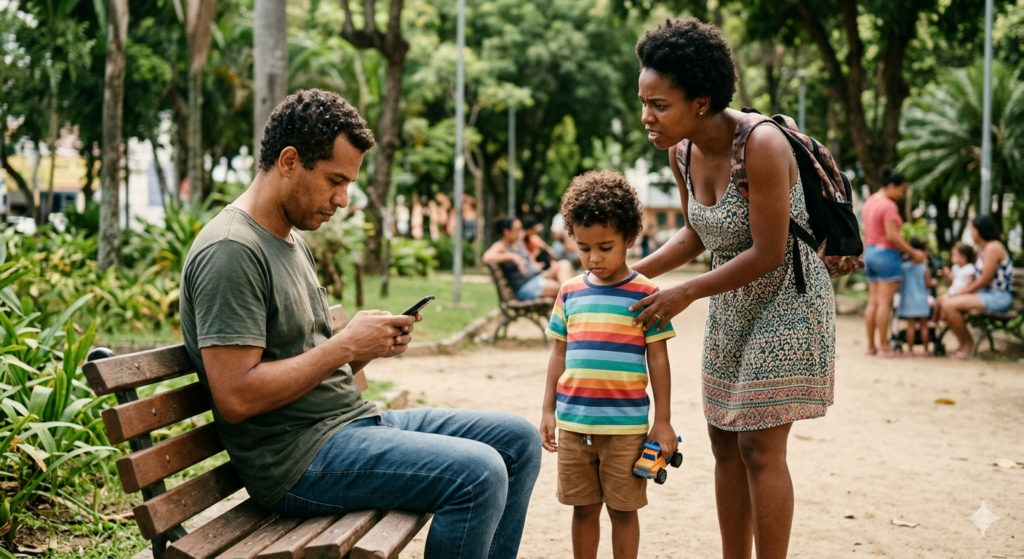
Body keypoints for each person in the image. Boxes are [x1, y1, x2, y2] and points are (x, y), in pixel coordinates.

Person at [178, 90, 540, 559]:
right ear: (289, 161)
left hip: (349, 426)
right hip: (298, 461)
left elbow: (306, 360)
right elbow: (236, 396)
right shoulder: (232, 250)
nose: (343, 200)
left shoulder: (288, 239)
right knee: (479, 472)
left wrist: (364, 348)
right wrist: (344, 346)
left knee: (519, 441)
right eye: (335, 180)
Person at [626, 18, 835, 558]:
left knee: (759, 447)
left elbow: (767, 250)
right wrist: (630, 273)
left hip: (787, 297)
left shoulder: (761, 145)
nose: (646, 116)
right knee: (722, 441)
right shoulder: (682, 152)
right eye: (644, 101)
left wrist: (686, 293)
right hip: (731, 302)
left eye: (659, 104)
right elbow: (699, 229)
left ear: (700, 101)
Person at [540, 170, 676, 559]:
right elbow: (558, 354)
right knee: (583, 509)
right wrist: (547, 409)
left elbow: (658, 359)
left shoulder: (648, 295)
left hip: (625, 428)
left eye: (605, 246)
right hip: (573, 423)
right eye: (584, 248)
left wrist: (662, 420)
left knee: (623, 510)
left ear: (630, 239)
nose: (594, 258)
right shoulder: (568, 293)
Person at [861, 167, 927, 357]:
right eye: (901, 190)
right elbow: (892, 236)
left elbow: (866, 231)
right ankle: (884, 347)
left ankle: (871, 346)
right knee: (884, 304)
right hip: (886, 256)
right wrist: (913, 252)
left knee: (872, 302)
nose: (901, 194)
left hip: (871, 254)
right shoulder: (888, 206)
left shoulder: (869, 202)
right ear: (891, 186)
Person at [940, 215, 1016, 359]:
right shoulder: (984, 249)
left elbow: (984, 279)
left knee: (950, 305)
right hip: (987, 294)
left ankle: (967, 345)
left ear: (979, 230)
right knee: (945, 301)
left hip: (998, 296)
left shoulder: (993, 247)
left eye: (972, 229)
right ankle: (963, 344)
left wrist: (961, 293)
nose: (971, 233)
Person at [483, 217, 574, 300]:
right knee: (565, 289)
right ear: (507, 231)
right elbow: (486, 257)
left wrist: (536, 265)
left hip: (537, 277)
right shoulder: (501, 245)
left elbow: (528, 261)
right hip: (526, 286)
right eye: (517, 230)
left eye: (520, 229)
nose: (520, 232)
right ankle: (571, 309)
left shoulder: (518, 243)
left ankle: (568, 305)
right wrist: (512, 256)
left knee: (564, 264)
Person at [897, 238, 934, 356]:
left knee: (910, 326)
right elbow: (928, 284)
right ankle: (926, 350)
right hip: (922, 299)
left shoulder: (904, 267)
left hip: (908, 299)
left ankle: (910, 350)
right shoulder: (924, 267)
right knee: (924, 325)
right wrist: (933, 283)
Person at [930, 242, 977, 325]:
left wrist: (962, 292)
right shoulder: (955, 267)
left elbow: (970, 283)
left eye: (954, 255)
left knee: (943, 302)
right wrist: (946, 274)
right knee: (939, 301)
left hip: (961, 294)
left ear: (963, 257)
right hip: (952, 292)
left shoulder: (969, 268)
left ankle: (942, 320)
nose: (952, 257)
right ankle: (936, 320)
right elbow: (949, 281)